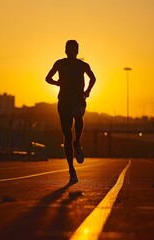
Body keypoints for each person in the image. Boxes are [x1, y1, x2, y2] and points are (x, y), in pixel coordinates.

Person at [46, 40, 96, 183]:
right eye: (70, 50)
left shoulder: (83, 65)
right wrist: (57, 83)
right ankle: (71, 170)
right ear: (66, 51)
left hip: (78, 99)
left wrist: (87, 91)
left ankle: (77, 142)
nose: (72, 52)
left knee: (78, 113)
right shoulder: (60, 64)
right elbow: (47, 78)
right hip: (64, 102)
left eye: (75, 50)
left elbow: (93, 78)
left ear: (78, 51)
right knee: (66, 136)